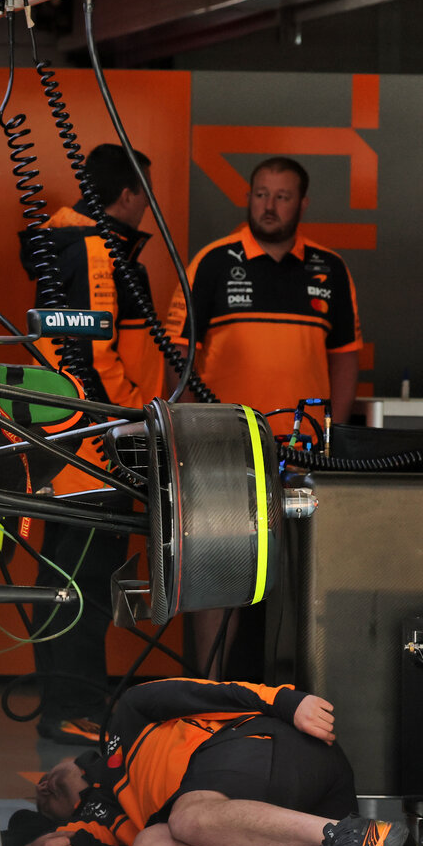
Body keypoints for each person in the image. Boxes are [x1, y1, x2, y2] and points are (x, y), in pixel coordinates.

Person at [163, 156, 363, 676]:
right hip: (223, 451)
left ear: (302, 204)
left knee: (306, 578)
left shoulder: (330, 268)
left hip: (302, 454)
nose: (269, 206)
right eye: (260, 195)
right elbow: (178, 360)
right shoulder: (212, 262)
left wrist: (330, 438)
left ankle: (299, 689)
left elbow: (345, 360)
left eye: (281, 196)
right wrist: (189, 443)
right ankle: (206, 688)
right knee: (217, 573)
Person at [8, 677, 404, 846]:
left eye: (46, 779)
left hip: (278, 747)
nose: (44, 786)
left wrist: (284, 700)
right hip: (274, 828)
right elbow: (18, 839)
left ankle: (350, 837)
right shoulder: (100, 824)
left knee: (188, 818)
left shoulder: (124, 718)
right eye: (44, 800)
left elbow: (210, 692)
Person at [23, 143, 166, 746]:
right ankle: (71, 706)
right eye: (145, 196)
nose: (147, 208)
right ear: (128, 194)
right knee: (81, 576)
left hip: (70, 436)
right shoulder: (91, 248)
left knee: (76, 571)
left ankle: (75, 698)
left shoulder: (69, 243)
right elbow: (95, 351)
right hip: (96, 439)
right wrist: (135, 416)